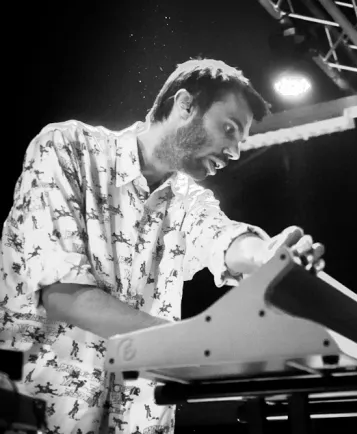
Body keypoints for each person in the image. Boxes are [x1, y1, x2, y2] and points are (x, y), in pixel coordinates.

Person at [0, 58, 325, 434]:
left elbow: (224, 237)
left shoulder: (188, 198)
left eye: (241, 140)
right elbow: (64, 297)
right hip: (36, 415)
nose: (235, 152)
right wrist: (199, 341)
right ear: (184, 105)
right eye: (229, 128)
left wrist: (268, 256)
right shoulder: (67, 147)